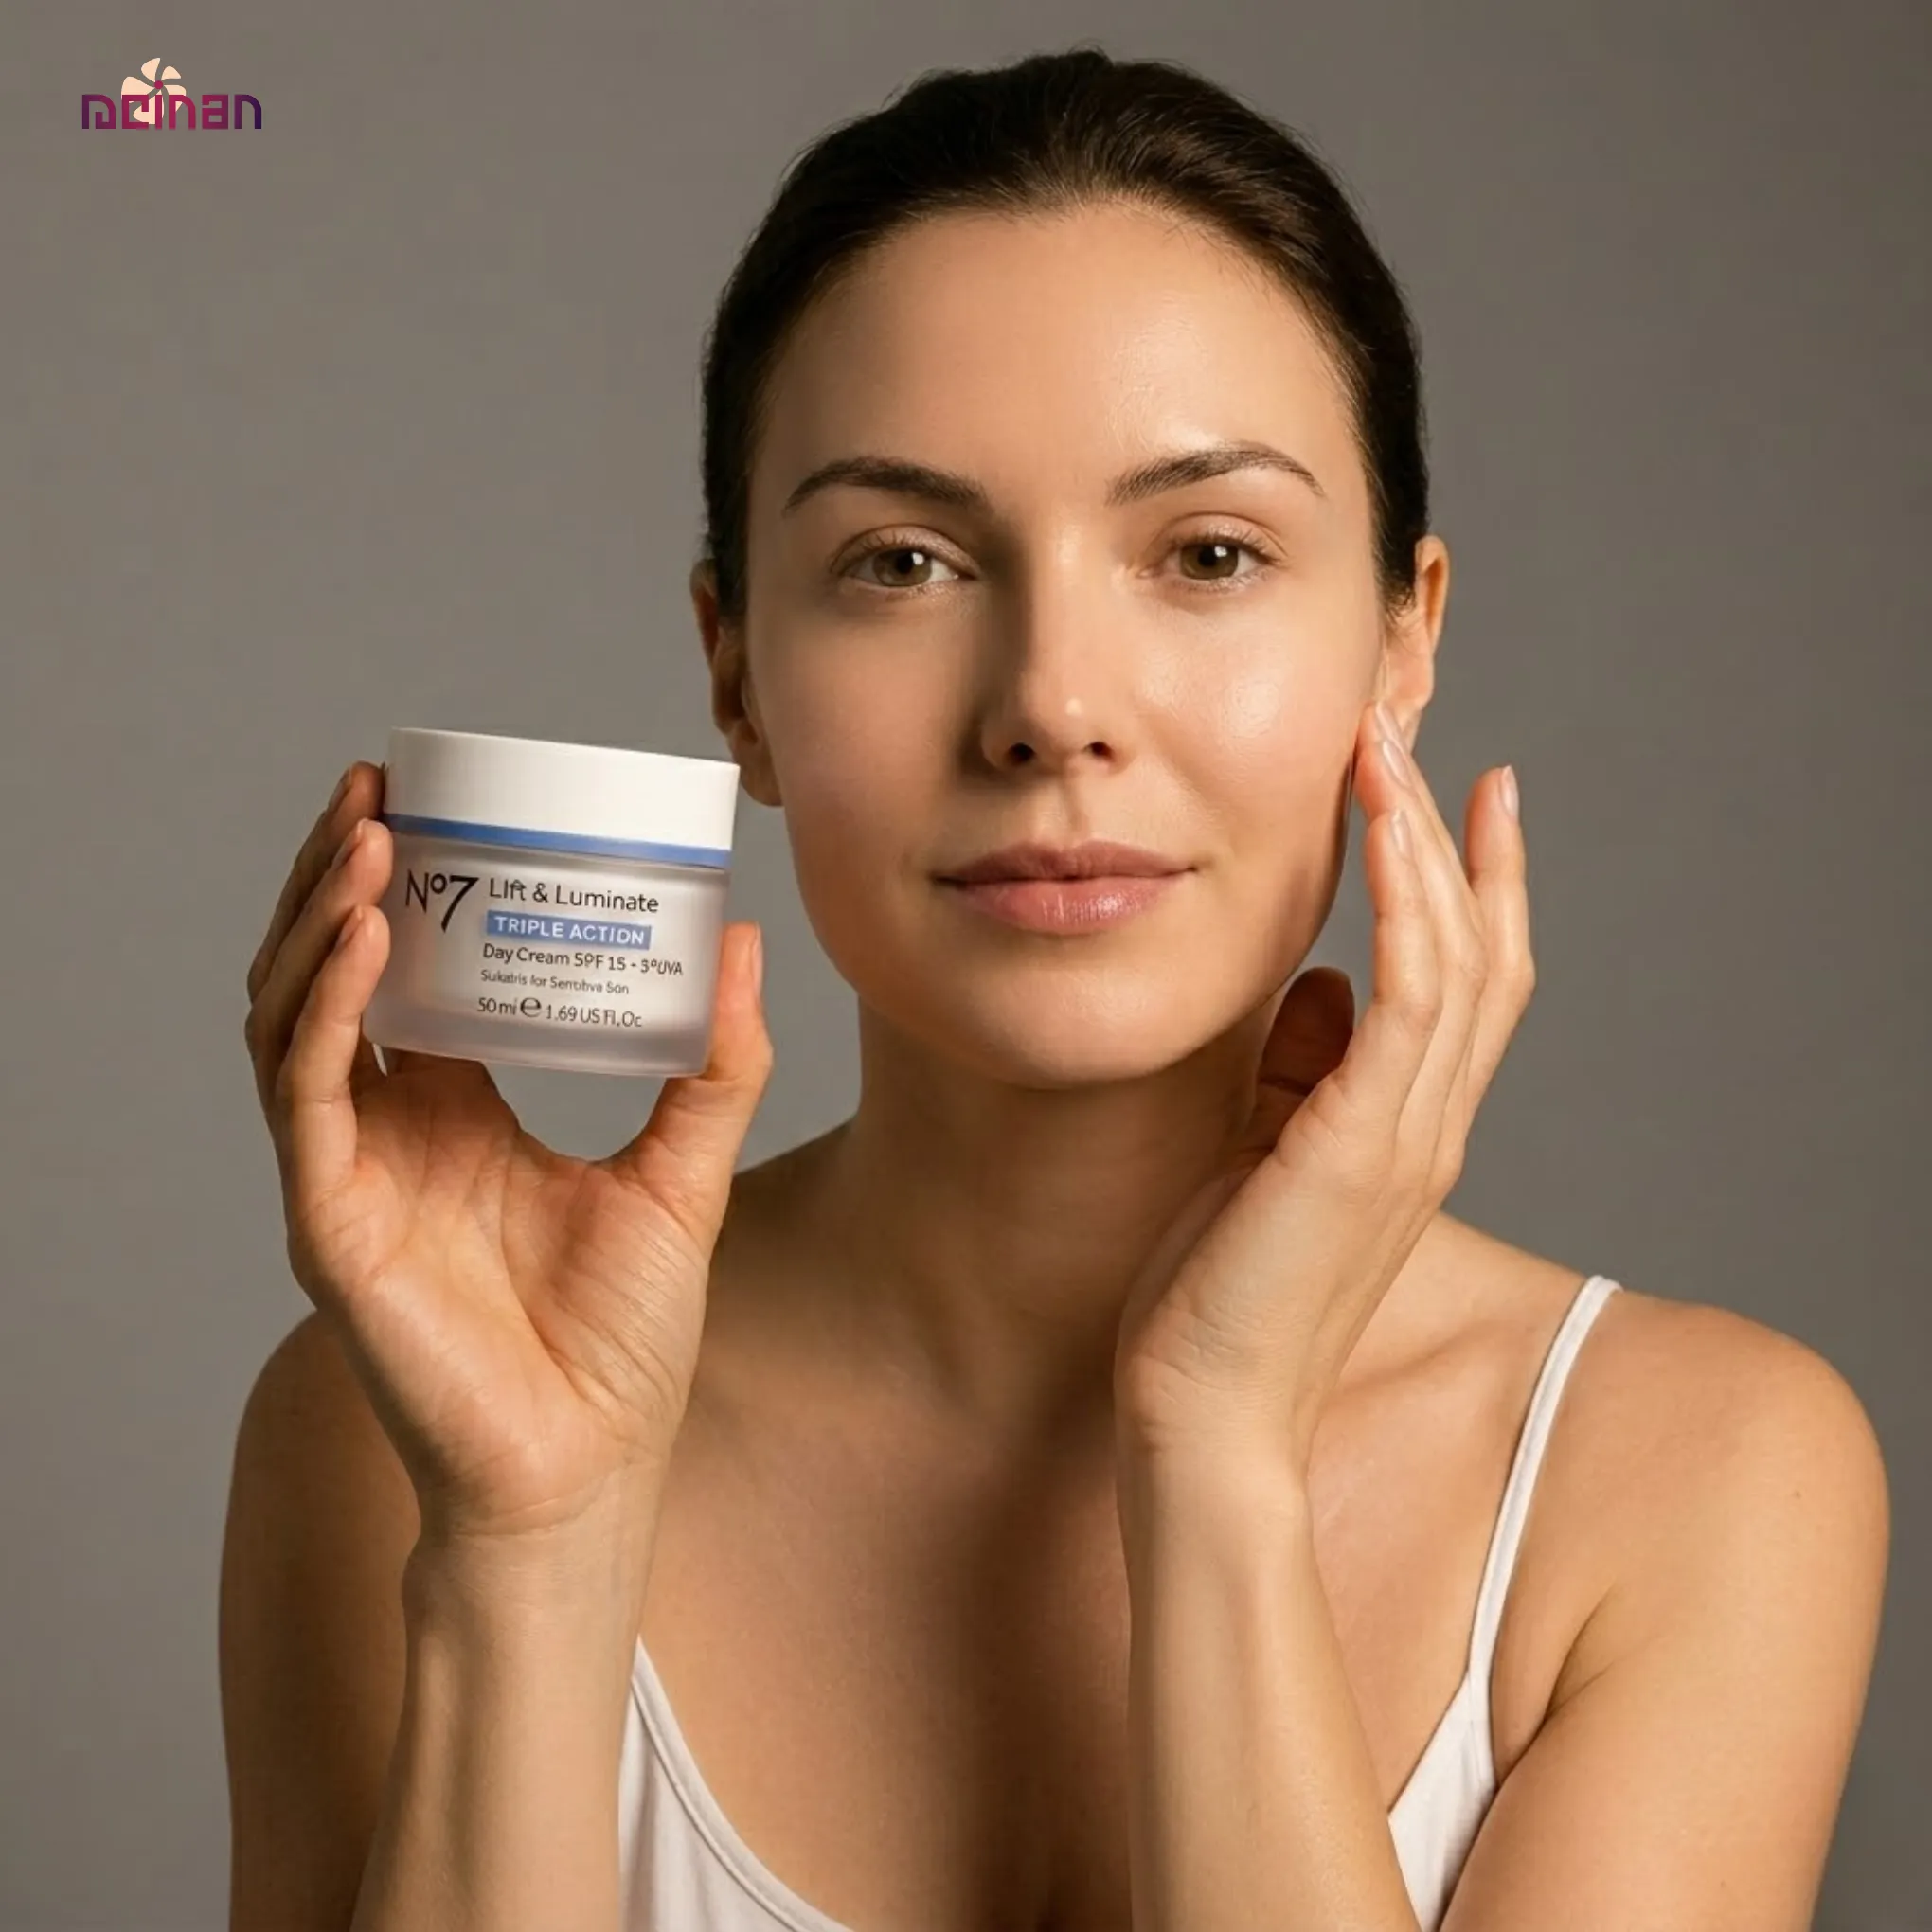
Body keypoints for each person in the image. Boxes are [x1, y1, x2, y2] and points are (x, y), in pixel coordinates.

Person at [220, 45, 1890, 1932]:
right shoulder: (398, 1433)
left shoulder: (1691, 1474)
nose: (1051, 706)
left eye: (1209, 552)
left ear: (1402, 641)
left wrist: (1220, 1454)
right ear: (737, 675)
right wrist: (531, 1547)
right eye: (904, 562)